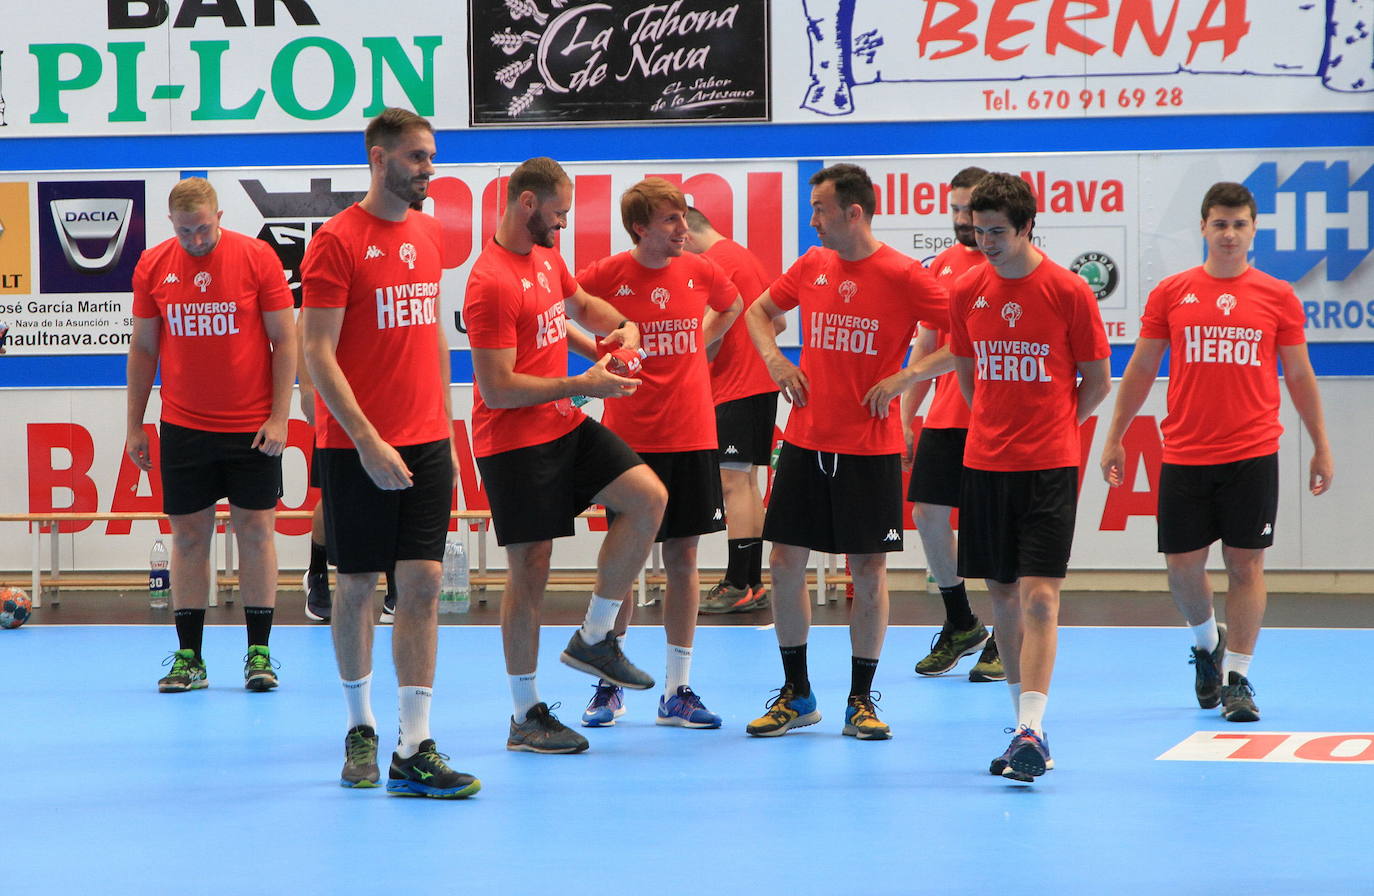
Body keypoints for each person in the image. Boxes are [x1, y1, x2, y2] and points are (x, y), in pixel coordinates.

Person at [1100, 181, 1333, 724]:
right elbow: (1140, 368)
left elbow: (1298, 373)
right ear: (1203, 228)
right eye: (1220, 223)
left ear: (1253, 230)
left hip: (1252, 452)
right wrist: (1114, 434)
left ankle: (1239, 679)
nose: (1229, 233)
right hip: (1184, 451)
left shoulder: (1276, 295)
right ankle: (1207, 644)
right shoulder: (1172, 292)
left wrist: (1321, 445)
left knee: (1246, 564)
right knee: (1182, 567)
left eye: (1240, 224)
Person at [300, 107, 479, 799]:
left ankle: (416, 743)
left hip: (427, 440)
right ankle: (361, 726)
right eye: (416, 158)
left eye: (430, 157)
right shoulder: (336, 243)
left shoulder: (431, 235)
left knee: (425, 585)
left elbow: (430, 334)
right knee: (356, 587)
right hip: (356, 446)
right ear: (378, 158)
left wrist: (447, 430)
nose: (429, 169)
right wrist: (368, 440)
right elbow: (317, 352)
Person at [465, 156, 668, 754]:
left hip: (561, 423)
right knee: (530, 573)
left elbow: (577, 311)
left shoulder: (546, 259)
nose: (563, 226)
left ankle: (596, 635)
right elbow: (498, 388)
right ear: (527, 204)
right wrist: (586, 383)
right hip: (513, 441)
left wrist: (622, 329)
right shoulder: (489, 282)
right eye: (558, 214)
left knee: (648, 497)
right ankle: (525, 713)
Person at [743, 163, 951, 741]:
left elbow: (966, 337)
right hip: (806, 440)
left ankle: (861, 699)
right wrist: (777, 362)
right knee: (784, 562)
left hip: (869, 447)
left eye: (820, 212)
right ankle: (797, 692)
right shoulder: (812, 265)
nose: (813, 222)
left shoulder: (905, 275)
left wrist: (907, 376)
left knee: (869, 571)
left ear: (853, 212)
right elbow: (758, 312)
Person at [948, 172, 1111, 783]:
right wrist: (996, 425)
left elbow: (1096, 382)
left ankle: (1033, 728)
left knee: (1041, 595)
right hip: (985, 464)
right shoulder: (966, 291)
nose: (985, 241)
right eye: (977, 230)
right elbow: (969, 378)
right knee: (1003, 598)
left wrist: (1052, 426)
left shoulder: (1068, 291)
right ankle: (1023, 725)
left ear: (1026, 228)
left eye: (996, 232)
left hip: (1048, 465)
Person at [573, 180, 742, 729]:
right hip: (629, 437)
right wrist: (600, 355)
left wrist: (698, 343)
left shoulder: (700, 269)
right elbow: (563, 311)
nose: (682, 230)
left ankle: (677, 690)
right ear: (640, 227)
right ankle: (608, 681)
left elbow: (733, 305)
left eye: (684, 219)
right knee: (623, 562)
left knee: (684, 559)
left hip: (692, 431)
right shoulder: (606, 275)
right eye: (670, 220)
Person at [126, 176, 295, 696]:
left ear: (219, 216)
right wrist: (135, 423)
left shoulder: (257, 259)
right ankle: (189, 658)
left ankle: (259, 653)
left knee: (256, 534)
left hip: (251, 428)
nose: (196, 240)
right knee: (191, 538)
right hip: (183, 427)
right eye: (185, 232)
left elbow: (285, 338)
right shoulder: (153, 266)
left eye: (203, 229)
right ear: (170, 226)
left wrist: (280, 417)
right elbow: (144, 349)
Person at [901, 166, 1004, 682]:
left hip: (999, 417)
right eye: (956, 209)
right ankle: (962, 621)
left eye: (971, 210)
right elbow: (927, 343)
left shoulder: (1008, 264)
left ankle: (1007, 637)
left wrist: (908, 379)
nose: (964, 220)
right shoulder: (941, 265)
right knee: (927, 515)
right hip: (946, 416)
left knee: (996, 531)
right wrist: (905, 416)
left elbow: (962, 348)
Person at [684, 206, 779, 615]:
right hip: (760, 385)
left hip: (737, 386)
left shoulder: (713, 263)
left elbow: (713, 333)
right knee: (747, 484)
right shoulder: (745, 257)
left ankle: (739, 581)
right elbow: (778, 325)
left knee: (732, 484)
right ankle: (752, 583)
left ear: (685, 231)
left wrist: (680, 364)